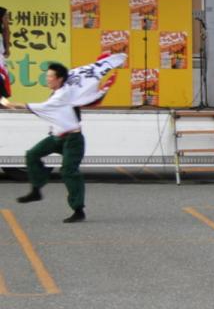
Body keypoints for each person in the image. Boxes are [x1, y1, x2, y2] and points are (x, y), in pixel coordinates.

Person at [6, 54, 126, 223]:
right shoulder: (62, 90)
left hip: (73, 140)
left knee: (69, 172)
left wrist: (14, 104)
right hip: (56, 137)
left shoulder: (63, 95)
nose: (47, 79)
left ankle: (78, 210)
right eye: (47, 75)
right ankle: (36, 190)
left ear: (60, 79)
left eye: (50, 76)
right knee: (32, 154)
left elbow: (43, 107)